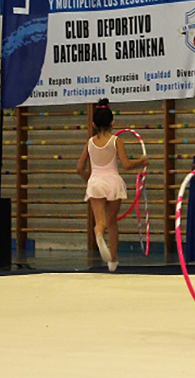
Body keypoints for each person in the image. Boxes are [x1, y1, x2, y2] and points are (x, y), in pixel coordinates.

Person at [75, 98, 147, 272]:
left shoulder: (90, 143)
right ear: (112, 122)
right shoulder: (116, 141)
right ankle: (113, 261)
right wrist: (142, 161)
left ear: (93, 124)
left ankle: (98, 232)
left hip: (96, 182)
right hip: (113, 182)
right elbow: (127, 165)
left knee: (100, 222)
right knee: (112, 222)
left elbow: (79, 167)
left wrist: (90, 181)